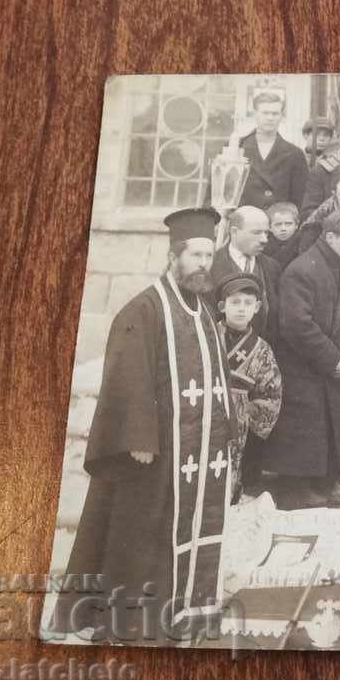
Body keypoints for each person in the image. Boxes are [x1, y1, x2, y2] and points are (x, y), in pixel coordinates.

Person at [56, 208, 235, 640]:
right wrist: (139, 436)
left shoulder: (204, 311)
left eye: (209, 255)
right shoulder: (144, 309)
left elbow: (217, 379)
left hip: (193, 453)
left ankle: (176, 612)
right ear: (173, 256)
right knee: (137, 533)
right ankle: (124, 620)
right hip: (152, 450)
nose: (203, 265)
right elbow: (127, 376)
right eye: (195, 255)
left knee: (173, 531)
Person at [269, 211, 340, 510]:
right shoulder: (302, 270)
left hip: (327, 362)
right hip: (302, 365)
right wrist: (332, 357)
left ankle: (322, 483)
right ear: (330, 237)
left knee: (331, 424)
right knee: (304, 430)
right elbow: (296, 324)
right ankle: (299, 492)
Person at [214, 272, 282, 502]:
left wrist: (249, 413)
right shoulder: (206, 337)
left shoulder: (262, 350)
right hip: (205, 416)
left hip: (240, 428)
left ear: (257, 307)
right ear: (222, 306)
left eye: (247, 303)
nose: (241, 309)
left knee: (233, 478)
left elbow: (271, 393)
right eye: (235, 303)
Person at [210, 206, 282, 343]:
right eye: (256, 233)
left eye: (266, 233)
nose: (264, 239)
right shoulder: (211, 266)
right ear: (234, 232)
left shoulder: (273, 267)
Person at [238, 91, 308, 210]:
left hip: (279, 224)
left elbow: (300, 200)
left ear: (281, 116)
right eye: (265, 113)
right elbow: (218, 193)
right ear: (255, 114)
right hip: (243, 222)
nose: (270, 118)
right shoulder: (236, 148)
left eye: (275, 113)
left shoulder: (295, 154)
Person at [263, 201, 301, 269]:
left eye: (288, 224)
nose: (283, 229)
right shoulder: (264, 247)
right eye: (278, 224)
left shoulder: (300, 245)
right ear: (269, 227)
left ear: (296, 225)